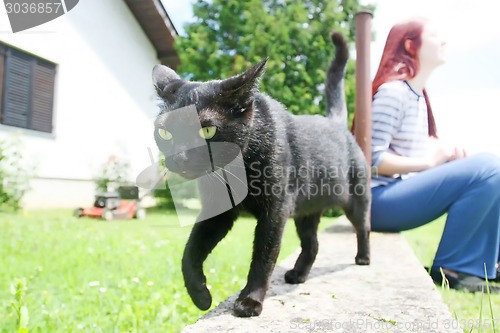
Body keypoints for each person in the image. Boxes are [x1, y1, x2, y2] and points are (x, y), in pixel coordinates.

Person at [367, 18, 500, 292]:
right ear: (410, 45)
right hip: (375, 203)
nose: (444, 41)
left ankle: (487, 265)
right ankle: (453, 270)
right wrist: (431, 162)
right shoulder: (393, 92)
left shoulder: (416, 97)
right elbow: (369, 162)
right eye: (435, 35)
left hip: (395, 196)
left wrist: (446, 163)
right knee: (488, 166)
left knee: (488, 173)